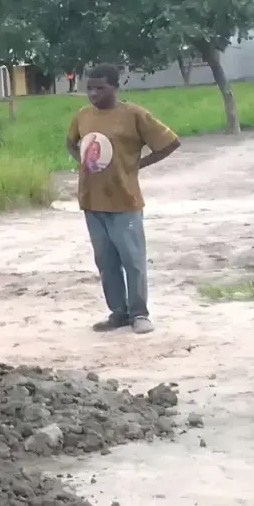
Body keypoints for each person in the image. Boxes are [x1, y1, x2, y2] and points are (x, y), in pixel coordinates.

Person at [65, 63, 180, 335]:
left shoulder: (134, 115)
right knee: (105, 261)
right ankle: (118, 312)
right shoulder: (83, 115)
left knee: (133, 260)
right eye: (89, 88)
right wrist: (83, 160)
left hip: (124, 200)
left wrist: (136, 165)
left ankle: (139, 314)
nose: (93, 94)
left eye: (100, 88)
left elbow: (170, 143)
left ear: (115, 87)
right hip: (91, 200)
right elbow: (71, 142)